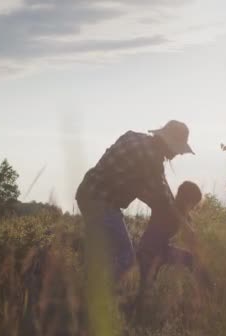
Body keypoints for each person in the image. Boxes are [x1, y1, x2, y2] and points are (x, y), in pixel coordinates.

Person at [76, 120, 195, 293]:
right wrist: (186, 226)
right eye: (177, 150)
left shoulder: (134, 137)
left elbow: (158, 185)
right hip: (101, 202)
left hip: (87, 192)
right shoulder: (152, 159)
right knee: (126, 259)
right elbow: (164, 199)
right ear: (169, 145)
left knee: (102, 257)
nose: (177, 155)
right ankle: (93, 299)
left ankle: (88, 297)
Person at [134, 181, 210, 310]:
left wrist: (200, 258)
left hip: (162, 250)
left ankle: (208, 292)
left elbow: (191, 240)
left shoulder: (183, 215)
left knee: (190, 259)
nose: (193, 207)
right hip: (148, 251)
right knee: (146, 291)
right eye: (193, 203)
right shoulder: (165, 206)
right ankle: (135, 315)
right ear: (187, 199)